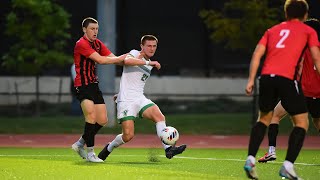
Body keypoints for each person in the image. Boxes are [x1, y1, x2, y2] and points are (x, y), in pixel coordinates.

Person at [244, 0, 320, 179]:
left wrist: (250, 80)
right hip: (288, 80)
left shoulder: (273, 30)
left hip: (267, 77)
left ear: (286, 14)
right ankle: (287, 166)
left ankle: (250, 159)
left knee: (264, 118)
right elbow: (315, 61)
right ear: (305, 14)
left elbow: (257, 53)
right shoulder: (307, 32)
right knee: (302, 123)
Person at [97, 35, 187, 161]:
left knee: (159, 116)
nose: (151, 48)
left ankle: (168, 149)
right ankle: (108, 148)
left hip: (139, 98)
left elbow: (133, 81)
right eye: (148, 46)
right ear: (142, 46)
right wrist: (149, 62)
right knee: (128, 136)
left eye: (154, 46)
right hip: (127, 101)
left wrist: (120, 91)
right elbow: (127, 61)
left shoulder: (149, 64)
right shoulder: (135, 54)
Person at [258, 18, 320, 163]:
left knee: (274, 115)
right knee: (317, 122)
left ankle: (271, 151)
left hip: (303, 93)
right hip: (318, 94)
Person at [71, 17, 128, 163]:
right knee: (90, 117)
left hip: (93, 85)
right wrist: (122, 58)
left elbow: (113, 58)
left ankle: (79, 144)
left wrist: (137, 60)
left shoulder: (97, 43)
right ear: (84, 29)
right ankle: (90, 153)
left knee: (102, 120)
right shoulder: (81, 44)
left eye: (96, 29)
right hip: (82, 85)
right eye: (92, 29)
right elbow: (101, 60)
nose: (95, 31)